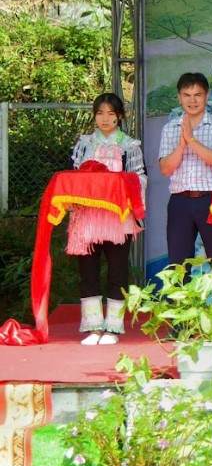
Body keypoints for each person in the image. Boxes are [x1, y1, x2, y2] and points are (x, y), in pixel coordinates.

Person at [70, 93, 145, 345]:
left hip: (117, 218)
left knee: (117, 270)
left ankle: (113, 327)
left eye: (111, 114)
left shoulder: (129, 145)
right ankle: (92, 327)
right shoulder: (84, 144)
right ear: (94, 115)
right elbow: (73, 177)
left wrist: (124, 192)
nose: (105, 118)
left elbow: (139, 178)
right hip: (88, 218)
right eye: (100, 113)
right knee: (88, 270)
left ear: (120, 116)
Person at [158, 72, 212, 267]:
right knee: (178, 264)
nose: (192, 100)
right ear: (179, 97)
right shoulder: (170, 128)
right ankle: (180, 299)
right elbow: (165, 169)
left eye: (197, 95)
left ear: (207, 96)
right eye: (187, 95)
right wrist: (182, 145)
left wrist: (191, 139)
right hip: (179, 202)